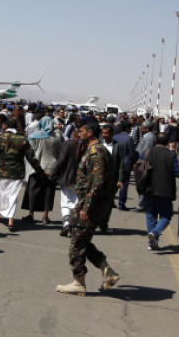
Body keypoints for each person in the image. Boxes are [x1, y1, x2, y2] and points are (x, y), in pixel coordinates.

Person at [56, 122, 120, 295]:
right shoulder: (94, 150)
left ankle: (79, 282)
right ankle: (107, 271)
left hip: (91, 204)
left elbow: (97, 182)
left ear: (90, 133)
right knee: (81, 239)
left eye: (82, 131)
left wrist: (86, 208)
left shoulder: (96, 152)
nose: (79, 133)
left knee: (76, 243)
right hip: (90, 203)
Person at [0, 115, 46, 231]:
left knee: (0, 194)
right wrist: (40, 171)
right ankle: (11, 219)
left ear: (6, 126)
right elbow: (31, 158)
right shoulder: (22, 139)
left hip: (1, 171)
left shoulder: (0, 137)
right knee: (12, 196)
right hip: (17, 172)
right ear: (16, 127)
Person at [145, 132, 179, 250]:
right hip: (164, 190)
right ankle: (155, 233)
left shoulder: (148, 152)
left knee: (151, 215)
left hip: (149, 188)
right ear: (168, 142)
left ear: (156, 141)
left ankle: (153, 243)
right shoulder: (170, 155)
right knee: (166, 216)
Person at [21, 116, 61, 224]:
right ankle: (45, 216)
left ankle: (31, 215)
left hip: (37, 167)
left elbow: (30, 153)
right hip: (51, 167)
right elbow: (59, 155)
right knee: (48, 192)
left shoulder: (35, 137)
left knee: (33, 191)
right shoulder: (56, 139)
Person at [96, 124, 125, 233]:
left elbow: (122, 164)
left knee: (108, 203)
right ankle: (95, 222)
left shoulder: (118, 146)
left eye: (107, 133)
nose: (104, 135)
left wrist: (121, 179)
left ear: (112, 134)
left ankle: (103, 225)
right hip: (98, 179)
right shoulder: (99, 145)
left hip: (112, 180)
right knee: (97, 202)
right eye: (103, 133)